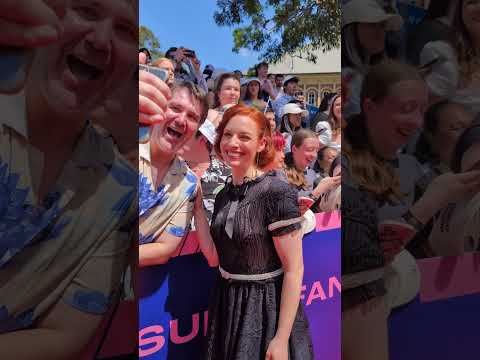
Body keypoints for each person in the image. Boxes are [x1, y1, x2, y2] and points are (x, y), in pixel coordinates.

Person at [0, 0, 138, 357]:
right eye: (87, 11)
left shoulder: (120, 188)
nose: (101, 39)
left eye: (125, 30)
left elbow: (64, 335)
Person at [341, 61, 480, 360]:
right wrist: (429, 203)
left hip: (417, 313)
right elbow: (361, 260)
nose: (417, 121)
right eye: (406, 108)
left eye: (421, 110)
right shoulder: (343, 169)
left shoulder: (413, 168)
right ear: (370, 106)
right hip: (366, 318)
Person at [192, 105, 314, 360]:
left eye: (244, 137)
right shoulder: (224, 195)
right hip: (226, 305)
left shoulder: (277, 192)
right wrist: (197, 202)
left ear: (261, 144)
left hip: (265, 309)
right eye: (227, 135)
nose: (232, 143)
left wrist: (281, 339)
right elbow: (215, 258)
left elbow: (294, 270)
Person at [138, 73, 210, 266]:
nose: (181, 120)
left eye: (192, 117)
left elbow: (164, 249)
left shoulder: (189, 185)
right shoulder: (116, 145)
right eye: (175, 108)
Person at [342, 0, 404, 118]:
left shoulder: (372, 74)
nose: (380, 31)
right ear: (352, 30)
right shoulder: (349, 79)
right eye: (371, 24)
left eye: (382, 25)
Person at [284, 129, 340, 202]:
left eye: (316, 151)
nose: (314, 155)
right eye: (310, 149)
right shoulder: (280, 175)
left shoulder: (311, 174)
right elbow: (292, 211)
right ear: (294, 149)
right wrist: (318, 190)